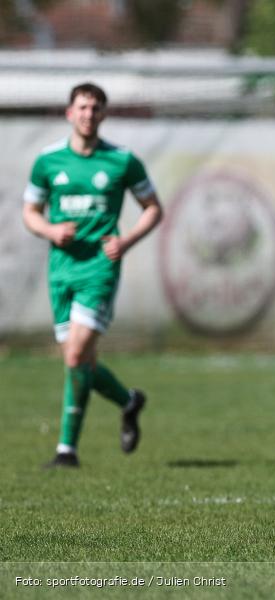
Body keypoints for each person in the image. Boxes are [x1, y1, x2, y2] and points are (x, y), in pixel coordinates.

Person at [22, 82, 164, 468]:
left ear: (103, 114)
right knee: (80, 361)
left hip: (100, 268)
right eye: (82, 107)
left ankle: (66, 450)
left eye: (96, 108)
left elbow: (153, 207)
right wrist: (51, 231)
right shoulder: (48, 161)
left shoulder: (122, 160)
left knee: (75, 355)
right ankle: (128, 401)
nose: (88, 114)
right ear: (70, 113)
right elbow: (30, 211)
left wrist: (128, 239)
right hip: (61, 270)